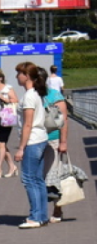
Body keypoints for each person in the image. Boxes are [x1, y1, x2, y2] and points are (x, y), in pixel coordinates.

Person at [13, 62, 50, 229]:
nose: (17, 77)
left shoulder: (29, 95)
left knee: (29, 179)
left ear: (26, 76)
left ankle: (35, 216)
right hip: (41, 138)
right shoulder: (37, 93)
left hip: (33, 140)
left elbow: (28, 124)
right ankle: (42, 215)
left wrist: (21, 148)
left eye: (19, 74)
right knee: (38, 179)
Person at [37, 68, 71, 223]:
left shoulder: (54, 96)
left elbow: (63, 120)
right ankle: (40, 211)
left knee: (54, 176)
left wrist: (63, 142)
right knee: (39, 177)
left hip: (53, 139)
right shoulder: (32, 95)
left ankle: (58, 209)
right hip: (36, 141)